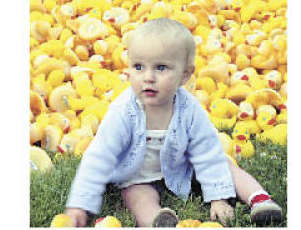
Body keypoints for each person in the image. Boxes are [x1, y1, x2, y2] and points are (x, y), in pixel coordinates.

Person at [64, 18, 282, 227]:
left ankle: (260, 199)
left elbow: (207, 152)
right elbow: (100, 156)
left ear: (184, 75)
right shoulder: (123, 112)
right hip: (138, 175)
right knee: (137, 197)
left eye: (161, 68)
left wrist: (218, 198)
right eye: (138, 67)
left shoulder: (190, 109)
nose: (148, 77)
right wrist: (80, 204)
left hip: (182, 166)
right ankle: (158, 221)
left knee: (225, 165)